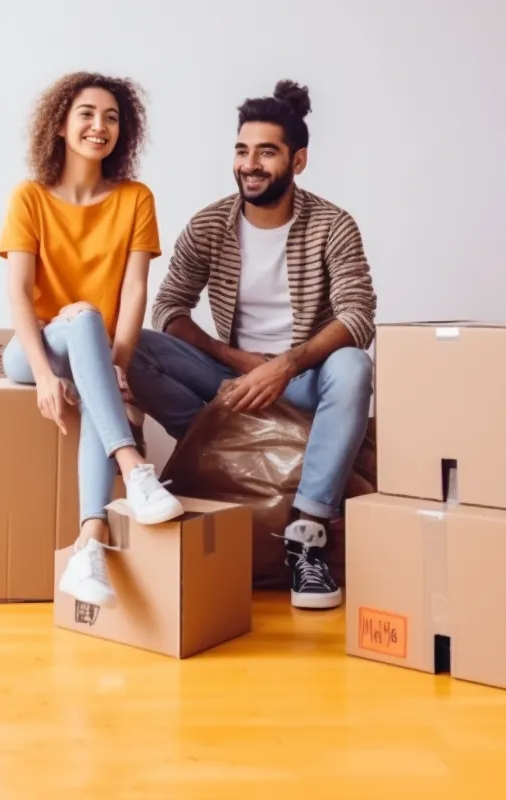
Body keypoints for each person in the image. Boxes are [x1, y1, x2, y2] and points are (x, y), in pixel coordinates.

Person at [126, 80, 376, 611]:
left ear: (298, 160)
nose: (250, 164)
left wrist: (285, 366)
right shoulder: (211, 224)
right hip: (230, 385)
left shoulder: (332, 225)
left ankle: (307, 533)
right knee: (133, 346)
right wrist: (238, 361)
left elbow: (358, 316)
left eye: (267, 151)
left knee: (353, 366)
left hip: (304, 381)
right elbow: (169, 307)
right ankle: (216, 434)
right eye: (242, 150)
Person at [0, 72, 183, 610]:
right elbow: (18, 294)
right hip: (36, 349)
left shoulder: (135, 199)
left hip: (98, 351)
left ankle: (89, 544)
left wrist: (116, 367)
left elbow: (137, 291)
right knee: (81, 320)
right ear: (60, 123)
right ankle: (134, 470)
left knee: (92, 343)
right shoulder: (29, 198)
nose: (99, 126)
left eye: (111, 117)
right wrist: (47, 375)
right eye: (86, 114)